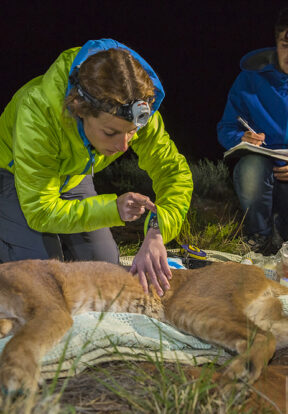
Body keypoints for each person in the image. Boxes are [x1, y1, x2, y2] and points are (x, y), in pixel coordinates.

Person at [0, 39, 193, 296]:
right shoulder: (38, 110)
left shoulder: (135, 109)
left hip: (74, 176)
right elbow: (40, 211)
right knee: (43, 285)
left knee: (107, 276)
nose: (124, 145)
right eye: (110, 132)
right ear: (79, 109)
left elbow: (174, 172)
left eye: (131, 133)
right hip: (16, 177)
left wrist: (158, 230)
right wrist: (112, 209)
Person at [217, 8, 288, 254]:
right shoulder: (250, 79)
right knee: (249, 167)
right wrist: (242, 137)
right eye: (286, 44)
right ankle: (258, 238)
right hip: (265, 171)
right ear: (277, 42)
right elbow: (226, 128)